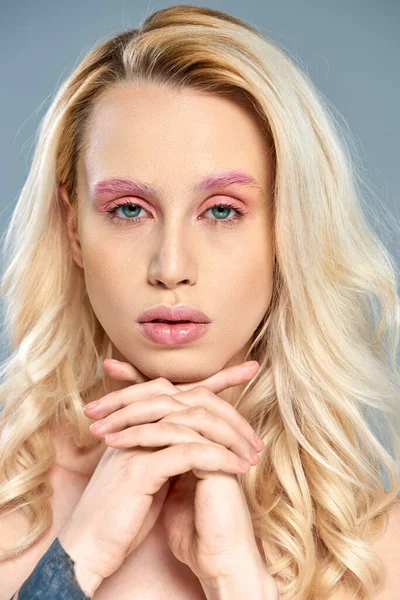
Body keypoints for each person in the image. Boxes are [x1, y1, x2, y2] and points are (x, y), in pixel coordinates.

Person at [0, 5, 399, 600]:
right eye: (129, 209)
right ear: (75, 228)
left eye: (221, 210)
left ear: (287, 230)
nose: (171, 269)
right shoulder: (10, 499)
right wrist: (76, 559)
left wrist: (239, 580)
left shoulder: (372, 543)